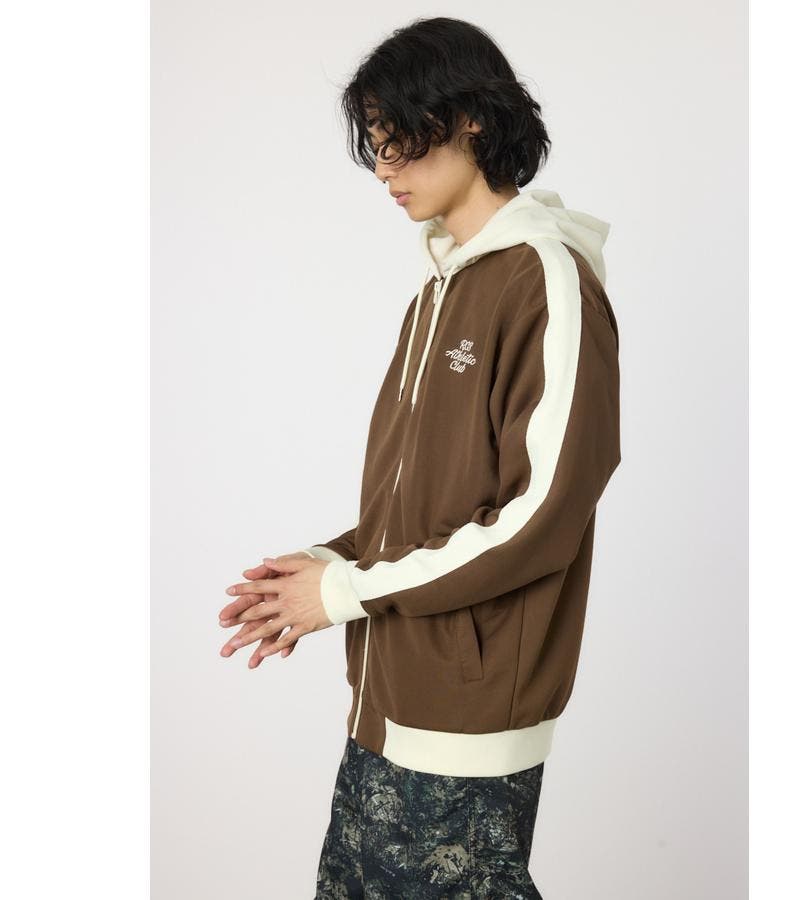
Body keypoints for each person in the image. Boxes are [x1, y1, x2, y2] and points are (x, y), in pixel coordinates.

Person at [218, 15, 621, 898]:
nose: (382, 167)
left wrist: (344, 594)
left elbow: (539, 516)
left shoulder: (544, 278)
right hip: (387, 704)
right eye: (374, 142)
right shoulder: (441, 288)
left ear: (470, 118)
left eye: (397, 136)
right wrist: (325, 565)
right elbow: (429, 504)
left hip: (466, 720)